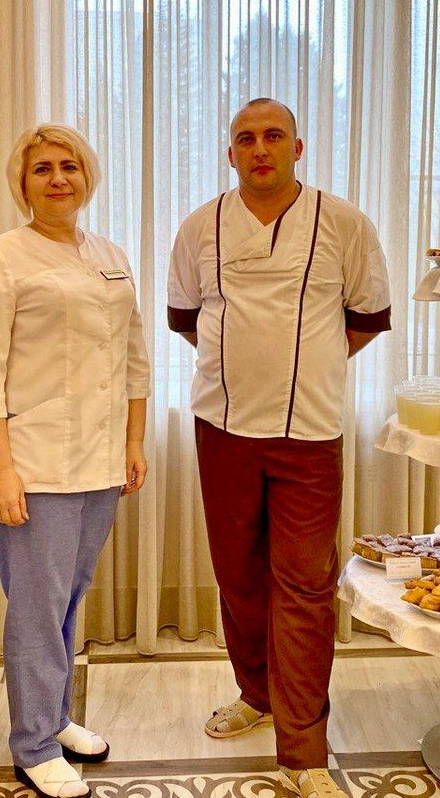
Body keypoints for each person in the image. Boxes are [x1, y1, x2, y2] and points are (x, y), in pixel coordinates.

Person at [166, 99, 391, 798]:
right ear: (230, 153)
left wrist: (309, 364)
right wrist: (245, 367)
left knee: (304, 587)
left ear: (298, 147)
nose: (259, 148)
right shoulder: (200, 226)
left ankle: (303, 752)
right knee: (238, 576)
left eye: (273, 136)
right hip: (223, 427)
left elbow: (366, 319)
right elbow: (186, 320)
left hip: (310, 432)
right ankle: (256, 695)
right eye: (246, 138)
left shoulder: (344, 223)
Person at [0, 123, 151, 798]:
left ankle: (56, 717)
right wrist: (0, 471)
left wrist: (133, 442)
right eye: (42, 168)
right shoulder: (2, 258)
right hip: (33, 463)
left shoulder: (109, 254)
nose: (58, 178)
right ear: (23, 183)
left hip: (100, 459)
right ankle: (34, 745)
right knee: (37, 608)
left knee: (69, 597)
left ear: (87, 176)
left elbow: (133, 357)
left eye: (69, 166)